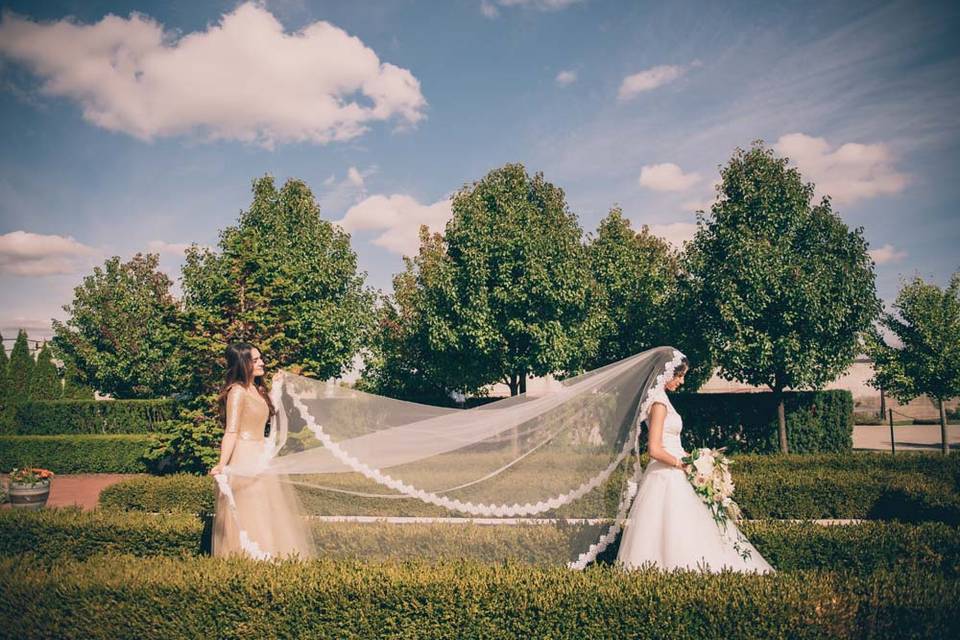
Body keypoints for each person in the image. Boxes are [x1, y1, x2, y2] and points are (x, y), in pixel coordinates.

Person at [616, 355, 773, 572]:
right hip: (666, 475)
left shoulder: (662, 400)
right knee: (676, 527)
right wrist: (684, 465)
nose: (681, 381)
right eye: (679, 376)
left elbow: (673, 445)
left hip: (673, 468)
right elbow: (654, 450)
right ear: (666, 374)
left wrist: (700, 459)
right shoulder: (659, 403)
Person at [210, 343, 313, 559]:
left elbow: (263, 416)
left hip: (261, 454)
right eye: (255, 360)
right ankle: (248, 560)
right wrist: (222, 464)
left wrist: (275, 388)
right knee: (251, 510)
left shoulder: (257, 390)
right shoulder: (237, 392)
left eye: (260, 358)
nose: (262, 362)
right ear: (242, 363)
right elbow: (231, 431)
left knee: (267, 511)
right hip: (244, 455)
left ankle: (269, 558)